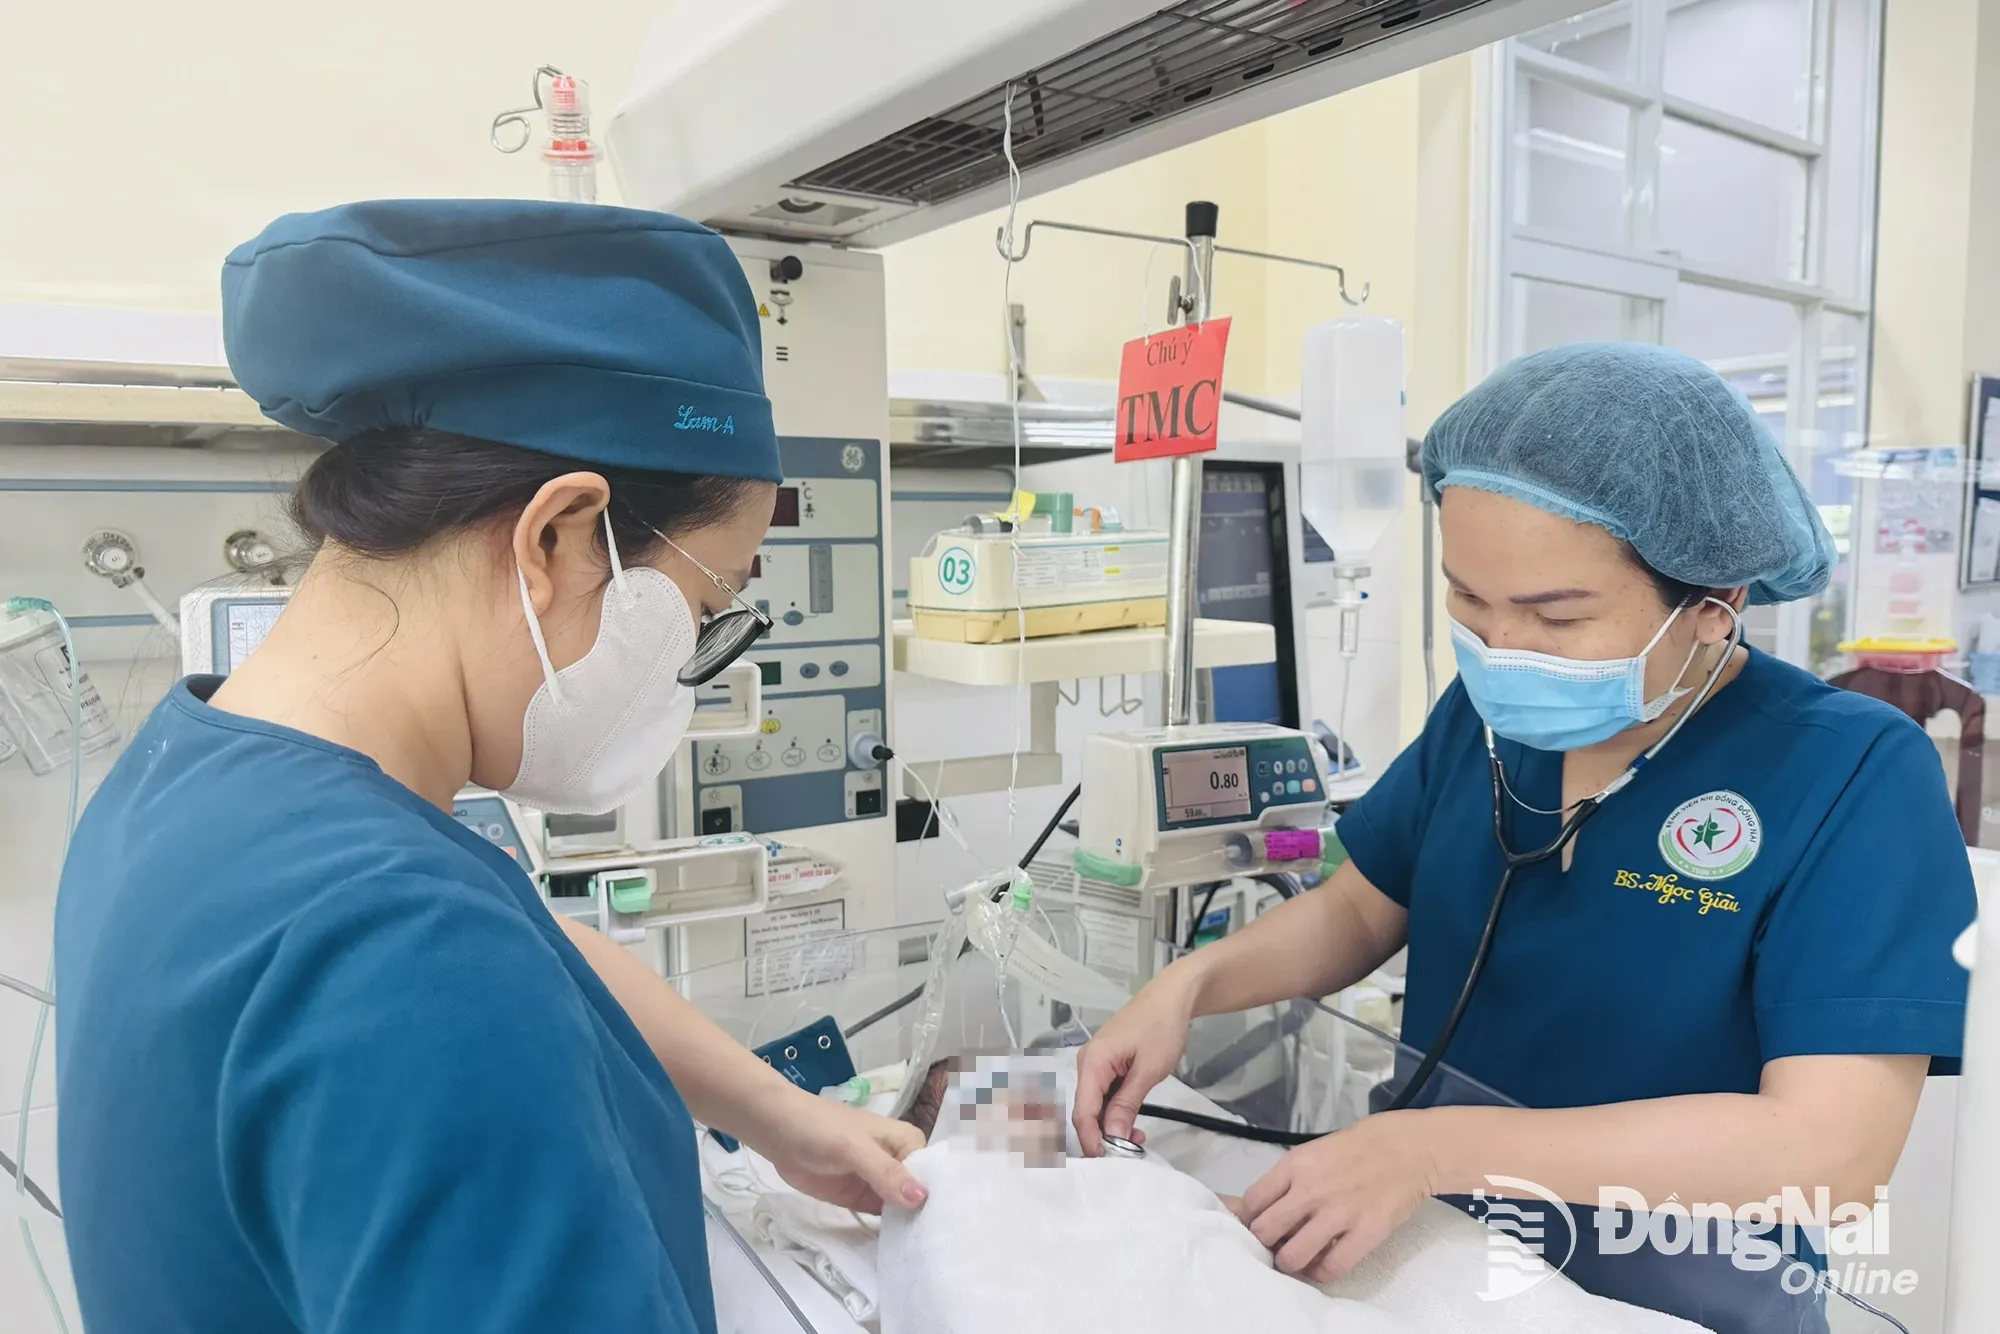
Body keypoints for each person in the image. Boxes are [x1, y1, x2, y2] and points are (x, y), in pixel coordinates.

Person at [54, 200, 925, 1334]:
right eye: (707, 604)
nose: (691, 666)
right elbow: (451, 953)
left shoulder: (193, 772)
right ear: (557, 533)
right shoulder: (410, 951)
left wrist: (772, 1109)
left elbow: (519, 930)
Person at [1072, 342, 1975, 1333]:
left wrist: (1433, 1148)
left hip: (1681, 1299)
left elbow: (1826, 1154)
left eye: (1554, 614)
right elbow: (1359, 905)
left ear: (1713, 607)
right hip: (1434, 1270)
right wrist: (1190, 985)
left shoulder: (1848, 772)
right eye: (1467, 598)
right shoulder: (1488, 718)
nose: (1500, 647)